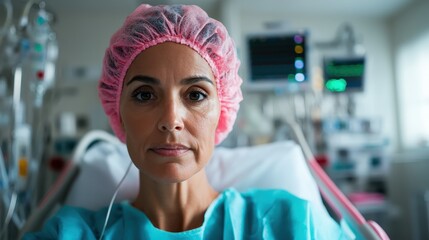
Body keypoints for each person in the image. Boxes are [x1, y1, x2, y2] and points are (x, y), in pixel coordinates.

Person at [24, 4, 345, 239]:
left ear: (224, 108)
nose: (170, 120)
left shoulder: (293, 224)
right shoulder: (70, 234)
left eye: (195, 95)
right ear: (116, 109)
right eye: (145, 95)